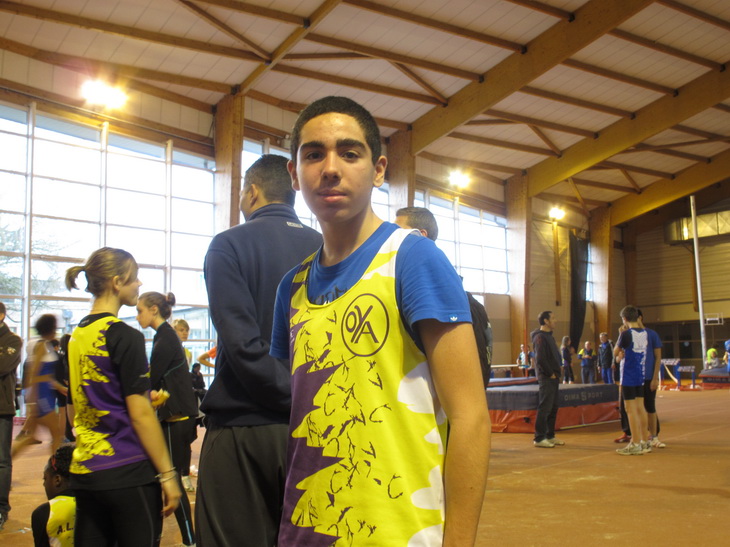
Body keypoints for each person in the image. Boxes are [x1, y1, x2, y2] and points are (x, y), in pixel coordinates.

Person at [271, 96, 490, 545]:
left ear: (378, 170)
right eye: (314, 155)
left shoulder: (412, 259)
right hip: (309, 530)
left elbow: (470, 417)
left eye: (350, 153)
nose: (331, 168)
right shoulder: (291, 287)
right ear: (294, 174)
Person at [195, 154, 322, 546]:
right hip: (316, 428)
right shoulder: (327, 246)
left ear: (252, 192)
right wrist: (305, 399)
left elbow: (242, 344)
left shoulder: (228, 244)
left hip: (244, 429)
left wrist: (287, 395)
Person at [65, 247, 181, 546]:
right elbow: (140, 415)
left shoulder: (76, 335)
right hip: (127, 469)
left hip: (86, 470)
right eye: (135, 277)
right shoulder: (124, 335)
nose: (139, 283)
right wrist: (168, 475)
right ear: (117, 282)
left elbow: (81, 400)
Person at [395, 206, 493, 387]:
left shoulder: (465, 305)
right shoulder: (405, 295)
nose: (393, 238)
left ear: (421, 235)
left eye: (400, 232)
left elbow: (476, 371)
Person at [136, 291, 198, 546]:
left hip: (176, 417)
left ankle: (190, 540)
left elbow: (150, 379)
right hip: (174, 416)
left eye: (140, 310)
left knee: (171, 480)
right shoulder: (163, 336)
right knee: (166, 478)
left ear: (154, 309)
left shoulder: (165, 337)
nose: (137, 316)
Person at [11, 314, 63, 459]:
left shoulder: (45, 345)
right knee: (56, 433)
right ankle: (55, 467)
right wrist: (33, 400)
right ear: (51, 328)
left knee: (30, 437)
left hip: (44, 392)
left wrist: (60, 387)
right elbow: (34, 372)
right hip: (42, 394)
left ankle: (5, 464)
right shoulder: (41, 346)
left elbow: (45, 375)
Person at [614, 305, 651, 455]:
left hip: (628, 376)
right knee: (640, 408)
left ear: (624, 319)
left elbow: (615, 351)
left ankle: (635, 442)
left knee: (630, 410)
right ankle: (644, 441)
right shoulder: (644, 333)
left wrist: (620, 336)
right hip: (640, 375)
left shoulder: (625, 334)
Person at [0, 301, 23, 530]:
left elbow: (2, 366)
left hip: (2, 408)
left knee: (1, 461)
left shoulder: (12, 340)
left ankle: (1, 508)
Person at [31, 444, 76, 547]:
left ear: (57, 480)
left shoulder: (43, 513)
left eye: (45, 478)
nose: (44, 484)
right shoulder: (98, 502)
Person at [531, 311, 564, 448]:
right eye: (553, 318)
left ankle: (550, 435)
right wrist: (550, 373)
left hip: (554, 376)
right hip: (547, 377)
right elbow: (540, 358)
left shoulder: (549, 336)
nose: (555, 320)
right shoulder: (540, 337)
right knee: (545, 407)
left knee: (553, 407)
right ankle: (539, 438)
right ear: (546, 321)